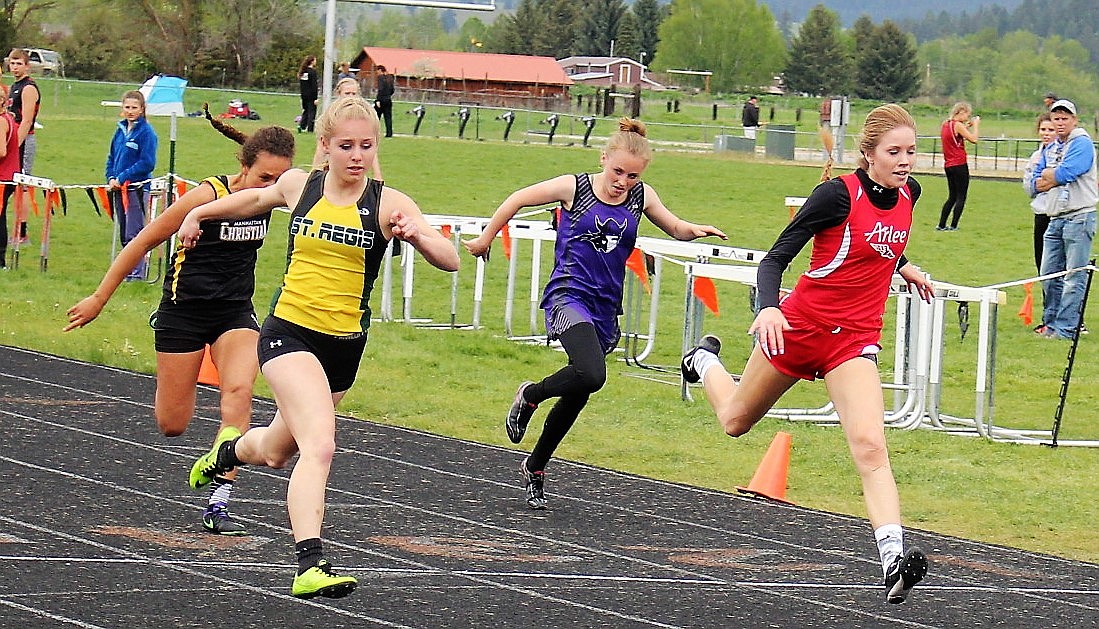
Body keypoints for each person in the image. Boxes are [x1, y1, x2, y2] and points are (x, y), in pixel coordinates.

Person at [179, 96, 459, 599]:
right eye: (346, 146)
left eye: (366, 146)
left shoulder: (389, 203)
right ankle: (310, 561)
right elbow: (250, 201)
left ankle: (225, 455)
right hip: (289, 334)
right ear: (325, 146)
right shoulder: (300, 185)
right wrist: (198, 215)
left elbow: (450, 258)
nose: (356, 156)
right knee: (321, 446)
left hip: (344, 348)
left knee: (274, 450)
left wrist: (417, 236)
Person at [680, 104, 934, 605]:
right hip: (797, 328)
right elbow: (776, 258)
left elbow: (881, 242)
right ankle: (703, 360)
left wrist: (904, 266)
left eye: (910, 151)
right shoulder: (835, 194)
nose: (905, 161)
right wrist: (769, 308)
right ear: (868, 154)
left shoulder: (912, 194)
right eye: (894, 152)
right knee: (735, 421)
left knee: (869, 445)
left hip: (853, 340)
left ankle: (892, 560)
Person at [463, 118, 726, 510]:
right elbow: (517, 198)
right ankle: (530, 395)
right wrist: (486, 237)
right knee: (591, 373)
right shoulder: (575, 187)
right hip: (569, 296)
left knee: (580, 388)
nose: (623, 181)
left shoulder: (641, 197)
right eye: (617, 171)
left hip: (605, 305)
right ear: (604, 159)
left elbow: (674, 227)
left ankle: (535, 466)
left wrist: (696, 229)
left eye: (632, 176)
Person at [66, 114, 296, 535]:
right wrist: (100, 297)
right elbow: (145, 240)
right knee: (173, 424)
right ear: (244, 166)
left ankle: (220, 497)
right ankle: (206, 447)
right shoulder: (207, 195)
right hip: (183, 311)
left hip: (234, 312)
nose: (271, 188)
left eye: (279, 179)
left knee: (240, 391)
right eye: (264, 177)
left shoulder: (277, 194)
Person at [1028, 99, 1097, 340]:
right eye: (1056, 118)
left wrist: (1051, 175)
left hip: (1079, 216)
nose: (1059, 122)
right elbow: (1033, 182)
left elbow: (1068, 172)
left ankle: (1067, 328)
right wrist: (1050, 176)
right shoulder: (1050, 148)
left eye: (1064, 118)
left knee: (1073, 275)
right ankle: (1051, 324)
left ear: (1074, 120)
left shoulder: (1082, 143)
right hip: (1054, 217)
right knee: (1048, 274)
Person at [104, 90, 158, 280]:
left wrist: (124, 177)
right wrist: (111, 177)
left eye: (134, 108)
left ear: (142, 109)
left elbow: (147, 162)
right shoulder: (119, 131)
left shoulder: (146, 133)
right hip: (118, 189)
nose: (130, 111)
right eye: (127, 107)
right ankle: (126, 271)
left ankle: (136, 274)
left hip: (136, 189)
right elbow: (111, 157)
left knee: (133, 233)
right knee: (123, 231)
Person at [312, 78, 382, 180]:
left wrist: (377, 175)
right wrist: (314, 173)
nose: (350, 97)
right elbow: (320, 149)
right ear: (339, 94)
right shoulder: (331, 116)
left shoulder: (365, 116)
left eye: (354, 94)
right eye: (347, 93)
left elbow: (371, 147)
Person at [7, 48, 39, 245]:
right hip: (11, 139)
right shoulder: (14, 86)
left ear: (27, 66)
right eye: (13, 63)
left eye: (19, 63)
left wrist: (14, 146)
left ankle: (22, 233)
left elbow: (27, 121)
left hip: (24, 141)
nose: (15, 67)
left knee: (22, 186)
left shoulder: (28, 88)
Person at [936, 102, 979, 231]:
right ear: (961, 112)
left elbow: (955, 134)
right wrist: (976, 126)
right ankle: (954, 225)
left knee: (952, 196)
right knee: (961, 196)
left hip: (948, 165)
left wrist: (967, 126)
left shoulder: (946, 125)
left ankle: (941, 224)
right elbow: (974, 139)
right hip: (960, 164)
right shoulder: (958, 125)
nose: (968, 117)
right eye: (967, 114)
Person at [1023, 113, 1057, 273]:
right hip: (1040, 213)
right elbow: (1029, 187)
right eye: (1043, 129)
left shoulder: (1063, 156)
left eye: (1051, 129)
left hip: (1058, 214)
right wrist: (1047, 182)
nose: (1046, 133)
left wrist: (1046, 181)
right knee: (1041, 262)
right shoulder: (1035, 157)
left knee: (1056, 264)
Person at [0, 65, 20, 268]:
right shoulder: (9, 119)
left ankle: (0, 260)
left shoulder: (1, 121)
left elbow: (1, 151)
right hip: (10, 175)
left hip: (2, 177)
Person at [297, 55, 319, 133]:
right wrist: (315, 98)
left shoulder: (302, 72)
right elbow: (314, 85)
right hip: (311, 96)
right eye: (315, 60)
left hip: (304, 95)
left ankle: (302, 126)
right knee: (312, 112)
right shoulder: (312, 72)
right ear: (312, 61)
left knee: (306, 111)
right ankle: (310, 129)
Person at [374, 65, 395, 138]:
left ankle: (374, 132)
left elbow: (380, 89)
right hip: (388, 100)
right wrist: (388, 95)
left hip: (381, 100)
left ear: (380, 70)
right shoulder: (390, 78)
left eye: (377, 70)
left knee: (376, 117)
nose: (377, 72)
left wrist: (378, 99)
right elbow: (392, 90)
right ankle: (389, 133)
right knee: (388, 117)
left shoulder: (380, 78)